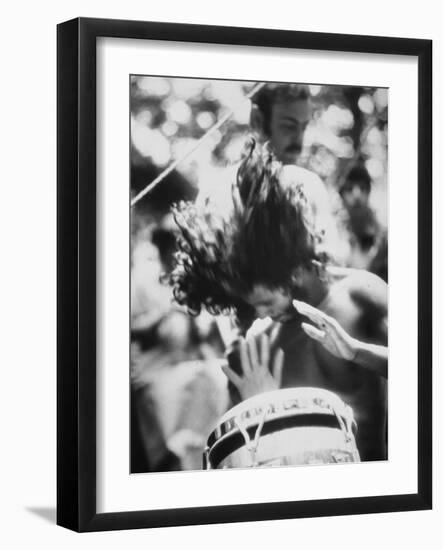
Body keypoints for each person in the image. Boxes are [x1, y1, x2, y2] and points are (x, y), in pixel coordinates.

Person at [169, 142, 388, 462]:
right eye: (251, 305)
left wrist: (356, 351)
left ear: (292, 267)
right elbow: (245, 463)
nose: (260, 314)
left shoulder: (360, 293)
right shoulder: (259, 346)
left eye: (267, 301)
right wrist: (259, 408)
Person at [339, 164, 388, 281]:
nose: (357, 195)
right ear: (342, 194)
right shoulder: (335, 230)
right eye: (350, 188)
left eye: (362, 188)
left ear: (369, 191)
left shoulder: (382, 232)